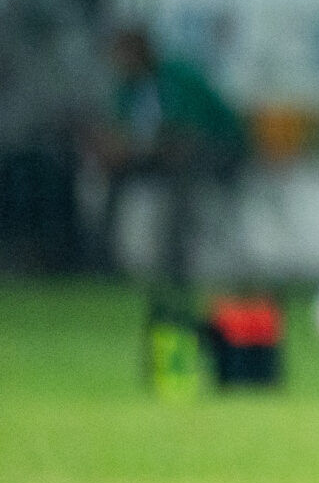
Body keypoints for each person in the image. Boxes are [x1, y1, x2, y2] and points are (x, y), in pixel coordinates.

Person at [91, 27, 248, 323]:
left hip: (219, 150)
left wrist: (137, 147)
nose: (118, 62)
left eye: (123, 54)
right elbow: (122, 133)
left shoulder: (178, 77)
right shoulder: (127, 88)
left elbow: (188, 135)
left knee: (182, 180)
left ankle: (176, 269)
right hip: (161, 154)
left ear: (142, 53)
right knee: (114, 176)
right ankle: (103, 261)